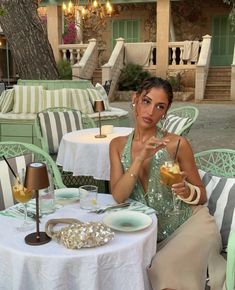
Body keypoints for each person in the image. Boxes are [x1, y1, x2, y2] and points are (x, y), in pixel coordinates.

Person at [109, 77, 226, 290]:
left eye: (159, 106)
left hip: (191, 226)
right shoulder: (117, 145)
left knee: (163, 269)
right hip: (147, 235)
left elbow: (201, 194)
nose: (151, 111)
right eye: (146, 101)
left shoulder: (176, 144)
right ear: (135, 99)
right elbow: (118, 196)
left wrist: (186, 190)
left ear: (165, 111)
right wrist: (139, 159)